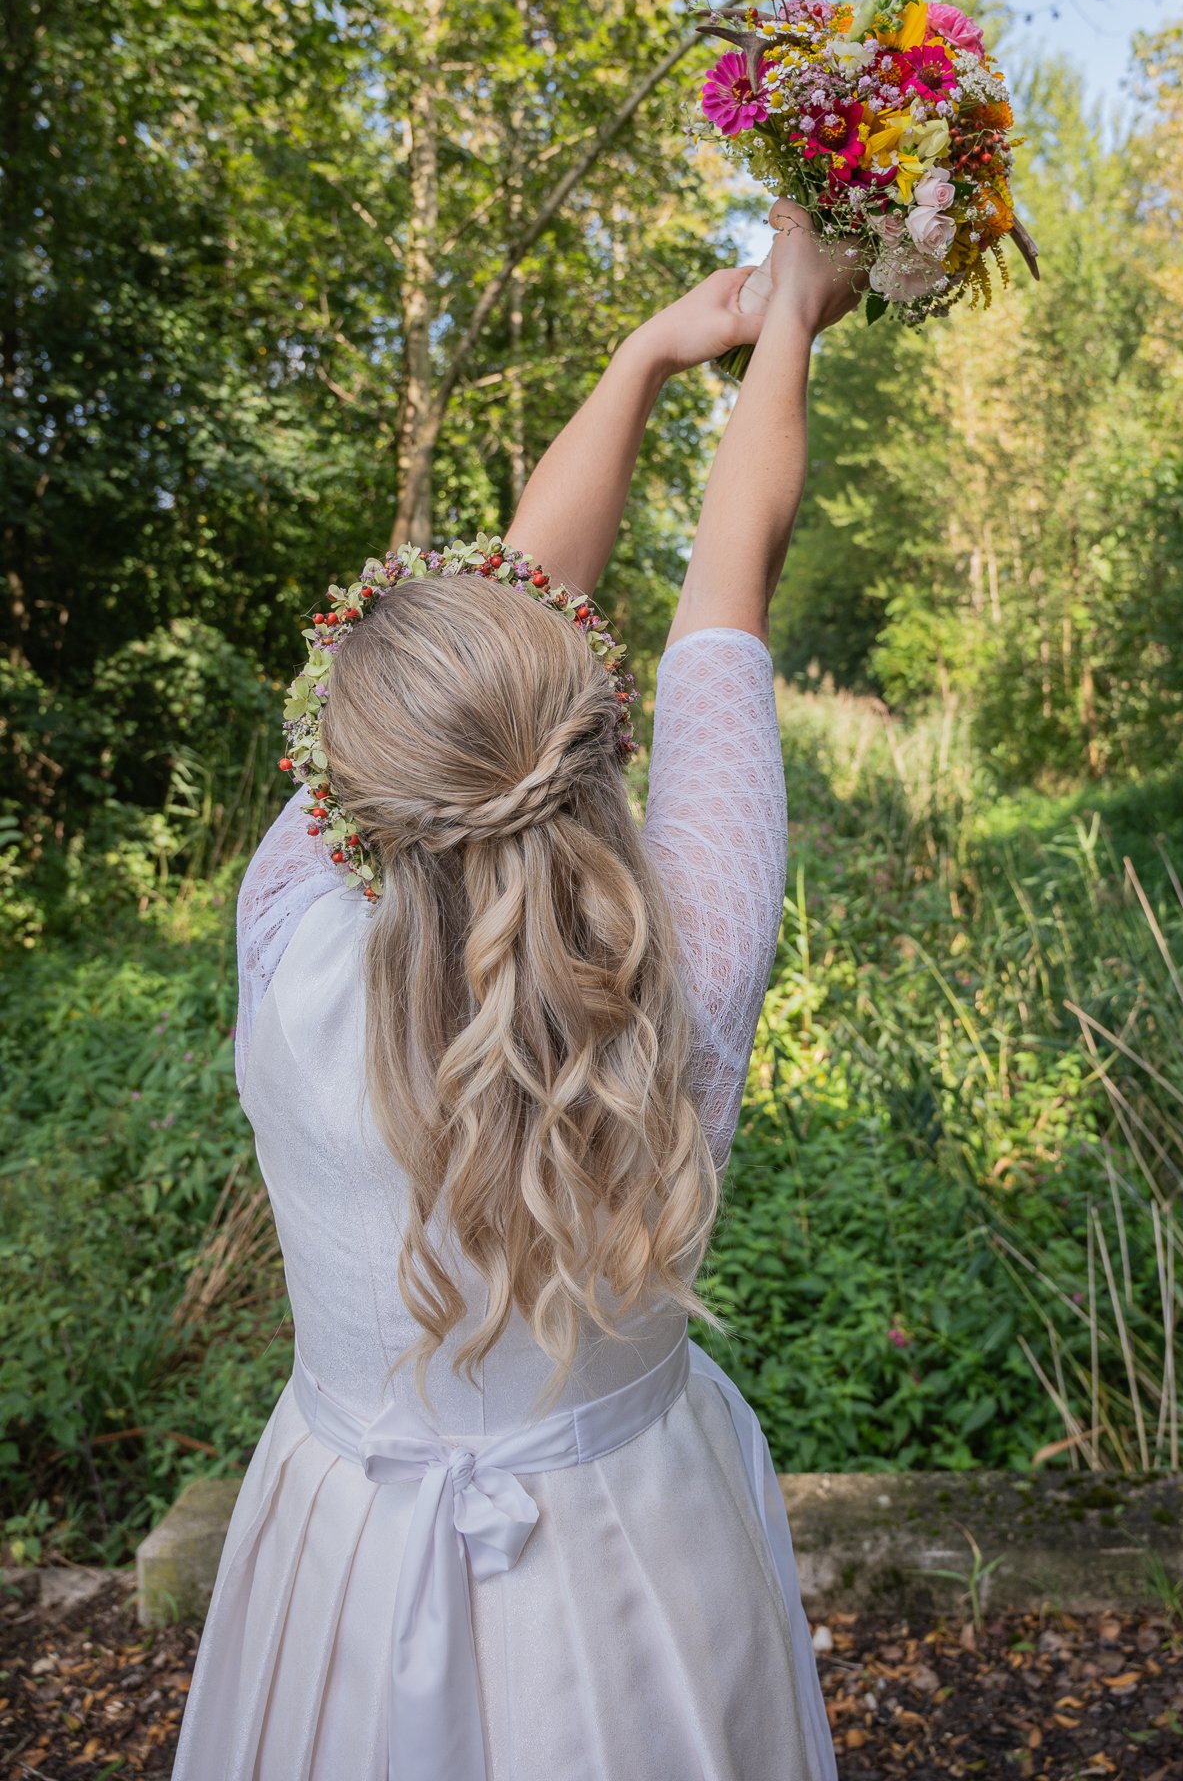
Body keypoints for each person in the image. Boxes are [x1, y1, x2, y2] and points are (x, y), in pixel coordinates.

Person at [173, 200, 864, 1781]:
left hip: (336, 1556)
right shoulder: (682, 942)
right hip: (641, 1559)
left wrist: (639, 358)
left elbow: (529, 625)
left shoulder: (282, 923)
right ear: (576, 730)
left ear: (348, 788)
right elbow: (728, 583)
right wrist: (789, 313)